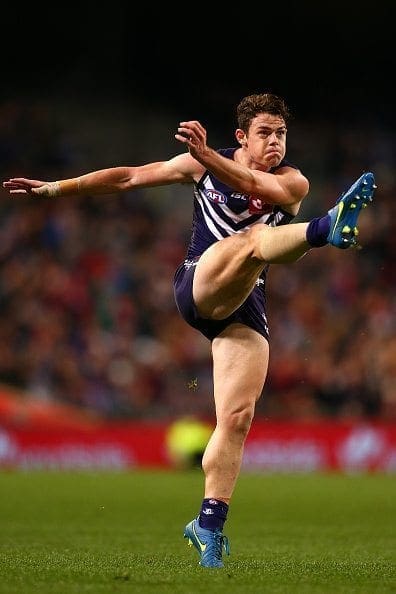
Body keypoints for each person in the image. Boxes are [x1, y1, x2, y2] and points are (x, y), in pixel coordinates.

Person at [2, 93, 376, 568]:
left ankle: (208, 526)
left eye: (281, 134)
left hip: (244, 303)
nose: (275, 142)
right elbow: (129, 177)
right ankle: (327, 229)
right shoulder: (200, 166)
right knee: (255, 240)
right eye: (265, 133)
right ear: (241, 136)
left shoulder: (291, 180)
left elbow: (251, 182)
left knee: (237, 417)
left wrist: (209, 157)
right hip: (199, 282)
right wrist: (55, 189)